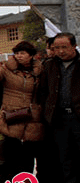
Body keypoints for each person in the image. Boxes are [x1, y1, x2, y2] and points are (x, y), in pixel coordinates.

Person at [0, 40, 43, 179]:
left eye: (23, 53)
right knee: (11, 155)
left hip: (32, 118)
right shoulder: (6, 69)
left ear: (31, 55)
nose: (19, 56)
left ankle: (27, 180)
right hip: (11, 116)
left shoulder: (40, 71)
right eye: (17, 53)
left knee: (28, 157)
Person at [36, 32, 80, 183]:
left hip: (78, 117)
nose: (60, 51)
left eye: (64, 47)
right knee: (64, 157)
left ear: (74, 46)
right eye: (57, 48)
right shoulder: (49, 65)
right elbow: (42, 91)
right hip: (58, 119)